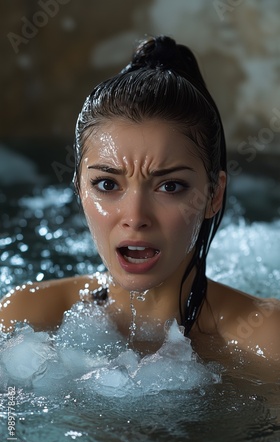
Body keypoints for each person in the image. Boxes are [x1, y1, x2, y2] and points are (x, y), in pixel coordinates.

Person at [0, 35, 279, 360]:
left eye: (170, 186)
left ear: (213, 195)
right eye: (107, 185)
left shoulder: (266, 340)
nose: (135, 216)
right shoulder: (26, 320)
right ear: (79, 190)